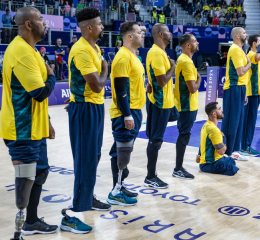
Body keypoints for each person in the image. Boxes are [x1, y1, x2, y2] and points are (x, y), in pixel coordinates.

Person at [0, 7, 58, 239]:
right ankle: (20, 228)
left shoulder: (31, 50)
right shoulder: (22, 52)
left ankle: (32, 221)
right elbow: (40, 93)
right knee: (26, 178)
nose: (45, 23)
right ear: (29, 25)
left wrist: (48, 121)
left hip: (36, 127)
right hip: (21, 128)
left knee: (41, 171)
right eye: (41, 19)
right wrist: (53, 76)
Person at [61, 7, 110, 234]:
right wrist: (106, 70)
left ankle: (88, 197)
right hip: (84, 108)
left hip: (95, 107)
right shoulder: (81, 50)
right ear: (89, 28)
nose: (102, 27)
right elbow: (97, 85)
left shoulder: (95, 47)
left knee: (93, 156)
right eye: (99, 24)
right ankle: (71, 214)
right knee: (84, 159)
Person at [107, 21, 145, 206]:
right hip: (125, 113)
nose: (142, 34)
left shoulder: (133, 56)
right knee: (122, 153)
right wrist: (127, 114)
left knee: (122, 152)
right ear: (130, 37)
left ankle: (119, 186)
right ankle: (115, 192)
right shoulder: (123, 57)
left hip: (135, 110)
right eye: (139, 32)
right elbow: (120, 88)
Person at [145, 24, 176, 189]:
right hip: (159, 103)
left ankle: (151, 175)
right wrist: (173, 67)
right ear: (160, 34)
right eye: (168, 32)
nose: (170, 34)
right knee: (155, 140)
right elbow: (162, 81)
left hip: (167, 103)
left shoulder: (161, 52)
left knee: (157, 137)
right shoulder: (156, 53)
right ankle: (150, 176)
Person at [173, 33, 201, 179]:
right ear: (188, 45)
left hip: (187, 105)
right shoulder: (186, 62)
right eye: (195, 41)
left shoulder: (184, 60)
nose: (198, 43)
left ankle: (178, 168)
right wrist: (200, 79)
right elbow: (193, 88)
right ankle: (178, 168)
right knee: (184, 136)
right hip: (186, 105)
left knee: (184, 135)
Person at [221, 27, 251, 160]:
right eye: (244, 33)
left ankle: (235, 150)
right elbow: (240, 72)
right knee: (232, 120)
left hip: (239, 88)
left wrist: (243, 92)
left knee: (238, 120)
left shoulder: (240, 50)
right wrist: (249, 64)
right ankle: (229, 151)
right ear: (238, 36)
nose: (246, 34)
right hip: (234, 88)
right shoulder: (235, 50)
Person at [198, 102, 239, 176]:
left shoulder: (206, 125)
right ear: (214, 114)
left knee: (232, 161)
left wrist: (198, 157)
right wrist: (223, 138)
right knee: (233, 169)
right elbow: (222, 151)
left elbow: (202, 143)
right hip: (210, 163)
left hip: (216, 159)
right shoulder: (214, 130)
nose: (222, 110)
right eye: (219, 109)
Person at [240, 34, 260, 156]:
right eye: (259, 41)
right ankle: (245, 146)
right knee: (249, 120)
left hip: (257, 92)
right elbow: (259, 56)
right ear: (254, 43)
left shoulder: (254, 55)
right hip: (251, 93)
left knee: (252, 120)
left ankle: (246, 145)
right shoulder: (251, 55)